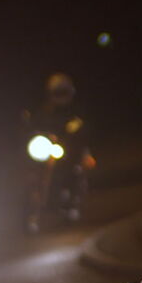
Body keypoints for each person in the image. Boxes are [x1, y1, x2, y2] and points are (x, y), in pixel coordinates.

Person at [21, 72, 93, 231]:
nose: (60, 96)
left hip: (68, 152)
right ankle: (30, 210)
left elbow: (82, 127)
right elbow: (33, 126)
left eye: (63, 93)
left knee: (75, 169)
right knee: (31, 173)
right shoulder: (44, 111)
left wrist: (74, 132)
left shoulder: (75, 111)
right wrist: (30, 131)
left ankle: (71, 205)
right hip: (46, 149)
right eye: (57, 93)